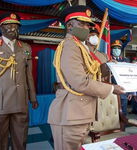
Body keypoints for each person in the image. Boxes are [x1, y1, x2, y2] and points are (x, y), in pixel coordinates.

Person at [47, 6, 124, 150]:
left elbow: (93, 72)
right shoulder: (70, 46)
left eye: (88, 25)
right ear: (69, 25)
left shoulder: (82, 48)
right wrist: (112, 88)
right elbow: (80, 82)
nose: (86, 28)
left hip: (79, 112)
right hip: (70, 112)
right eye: (81, 24)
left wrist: (108, 66)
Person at [0, 12, 38, 150]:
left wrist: (33, 98)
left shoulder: (25, 48)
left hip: (20, 99)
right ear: (1, 28)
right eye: (9, 25)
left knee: (21, 139)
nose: (13, 28)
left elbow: (28, 75)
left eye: (16, 25)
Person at [110, 39, 133, 116]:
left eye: (118, 48)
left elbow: (129, 76)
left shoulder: (126, 60)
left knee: (123, 112)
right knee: (113, 112)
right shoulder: (108, 60)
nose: (117, 50)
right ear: (111, 50)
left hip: (124, 91)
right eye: (114, 48)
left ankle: (122, 128)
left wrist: (130, 92)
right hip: (112, 91)